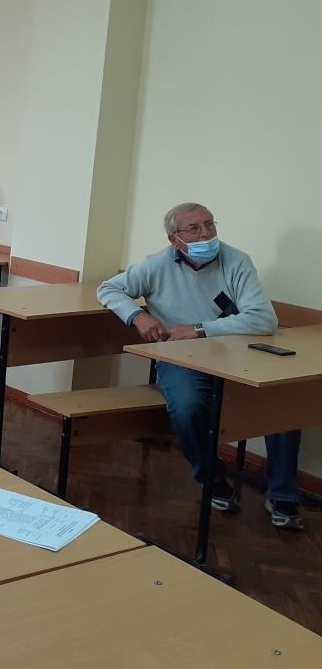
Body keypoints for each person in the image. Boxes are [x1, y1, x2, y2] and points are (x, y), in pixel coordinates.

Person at [97, 202, 303, 530]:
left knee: (284, 402)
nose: (205, 233)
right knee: (187, 406)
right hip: (182, 358)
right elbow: (108, 288)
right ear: (173, 239)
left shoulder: (236, 261)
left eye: (210, 224)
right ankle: (212, 478)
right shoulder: (156, 265)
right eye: (194, 229)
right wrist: (137, 316)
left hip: (235, 355)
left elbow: (264, 319)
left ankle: (282, 494)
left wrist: (199, 329)